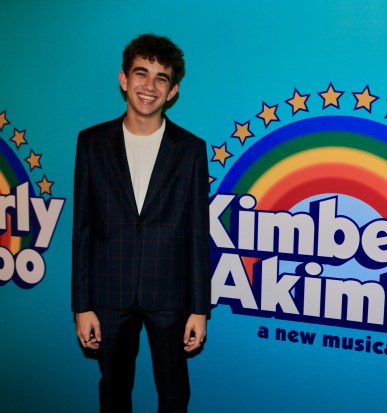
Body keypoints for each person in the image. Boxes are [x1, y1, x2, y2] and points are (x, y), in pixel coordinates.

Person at [72, 33, 210, 413]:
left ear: (172, 91)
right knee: (113, 392)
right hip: (108, 297)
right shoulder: (91, 143)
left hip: (170, 297)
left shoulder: (191, 150)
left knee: (174, 395)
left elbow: (199, 234)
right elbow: (82, 230)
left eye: (160, 78)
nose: (149, 86)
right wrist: (82, 307)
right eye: (141, 73)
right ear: (123, 79)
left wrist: (200, 309)